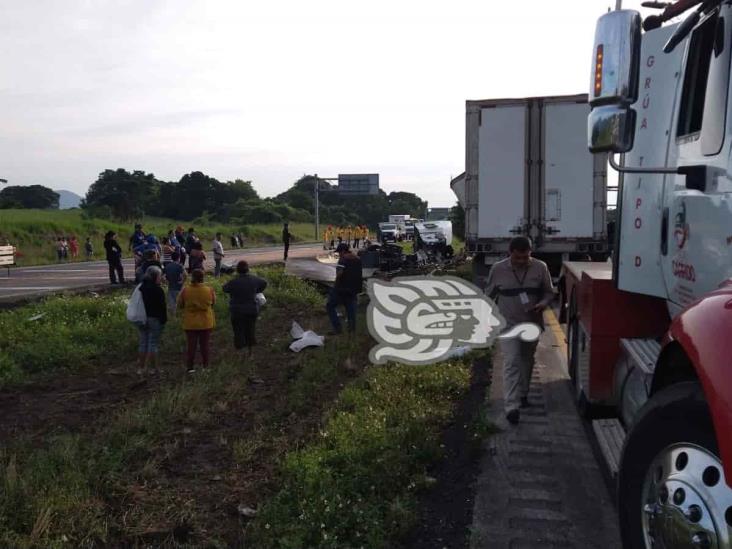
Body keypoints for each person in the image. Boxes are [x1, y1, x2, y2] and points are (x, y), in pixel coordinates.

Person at [484, 236, 554, 425]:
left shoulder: (541, 267)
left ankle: (523, 394)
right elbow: (488, 295)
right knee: (511, 361)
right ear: (510, 253)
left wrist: (543, 303)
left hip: (532, 323)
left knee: (526, 359)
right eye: (518, 258)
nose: (522, 262)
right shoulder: (498, 269)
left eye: (526, 258)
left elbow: (549, 292)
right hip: (508, 325)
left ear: (530, 253)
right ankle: (511, 406)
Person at [223, 260, 267, 357]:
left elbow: (224, 288)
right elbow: (264, 283)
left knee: (238, 331)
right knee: (250, 329)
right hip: (251, 309)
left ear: (237, 270)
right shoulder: (254, 279)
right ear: (248, 269)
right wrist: (257, 290)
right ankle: (250, 353)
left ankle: (240, 353)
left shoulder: (234, 282)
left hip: (237, 311)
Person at [177, 269, 216, 373]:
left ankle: (190, 367)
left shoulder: (186, 290)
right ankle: (206, 367)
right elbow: (213, 303)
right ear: (202, 278)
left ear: (192, 277)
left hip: (190, 322)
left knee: (191, 346)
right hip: (206, 321)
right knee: (205, 345)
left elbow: (180, 304)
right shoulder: (209, 290)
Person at [326, 243, 363, 334]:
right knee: (351, 310)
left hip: (342, 289)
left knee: (330, 306)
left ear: (343, 251)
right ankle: (351, 330)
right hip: (354, 289)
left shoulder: (343, 259)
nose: (339, 254)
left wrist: (335, 286)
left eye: (339, 252)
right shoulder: (357, 259)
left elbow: (339, 273)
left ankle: (338, 329)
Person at [137, 265, 167, 375]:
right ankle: (153, 368)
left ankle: (141, 368)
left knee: (143, 343)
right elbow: (162, 307)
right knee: (153, 344)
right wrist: (164, 320)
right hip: (155, 318)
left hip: (142, 318)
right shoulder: (158, 290)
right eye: (160, 276)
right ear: (155, 276)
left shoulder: (141, 287)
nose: (161, 278)